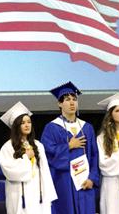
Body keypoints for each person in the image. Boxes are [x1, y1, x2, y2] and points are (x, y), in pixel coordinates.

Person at [40, 81, 99, 214]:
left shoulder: (87, 128)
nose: (72, 103)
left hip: (85, 182)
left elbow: (95, 155)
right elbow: (48, 156)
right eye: (67, 100)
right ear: (59, 104)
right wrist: (68, 146)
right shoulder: (51, 128)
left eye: (74, 99)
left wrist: (92, 178)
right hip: (63, 183)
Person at [0, 101, 57, 213]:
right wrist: (26, 158)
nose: (27, 125)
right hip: (19, 195)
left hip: (37, 195)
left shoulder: (38, 145)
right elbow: (10, 172)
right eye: (23, 123)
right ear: (16, 126)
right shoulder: (8, 147)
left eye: (29, 122)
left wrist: (48, 197)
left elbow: (45, 173)